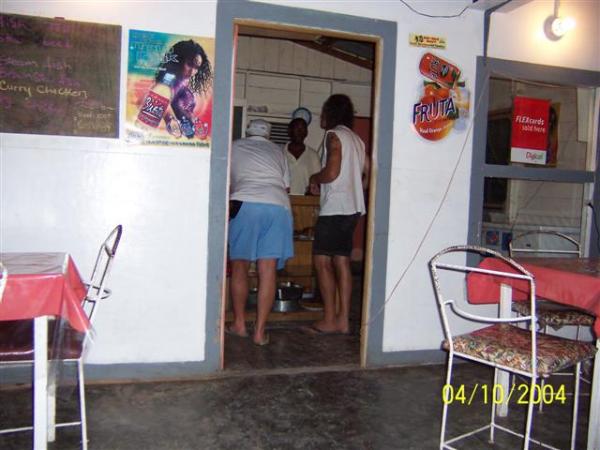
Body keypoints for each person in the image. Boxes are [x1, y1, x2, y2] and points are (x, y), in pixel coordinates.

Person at [305, 94, 369, 335]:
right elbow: (370, 170)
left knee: (322, 262)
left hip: (335, 208)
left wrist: (314, 178)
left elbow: (331, 172)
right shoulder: (356, 139)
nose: (321, 116)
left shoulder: (334, 135)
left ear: (331, 114)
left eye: (324, 112)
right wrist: (356, 189)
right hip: (352, 209)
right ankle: (343, 320)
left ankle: (330, 319)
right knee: (342, 261)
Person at [227, 119, 294, 345]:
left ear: (248, 132)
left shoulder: (234, 146)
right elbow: (286, 186)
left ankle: (239, 324)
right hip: (277, 205)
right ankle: (259, 332)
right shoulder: (278, 151)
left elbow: (226, 181)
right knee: (268, 269)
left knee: (240, 265)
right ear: (268, 135)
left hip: (245, 202)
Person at [156, 39, 212, 138]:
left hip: (185, 131)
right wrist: (170, 120)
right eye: (189, 64)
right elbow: (162, 101)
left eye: (196, 67)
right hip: (174, 133)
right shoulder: (170, 79)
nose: (192, 71)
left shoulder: (183, 81)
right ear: (179, 60)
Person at [283, 118, 321, 195]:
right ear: (289, 131)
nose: (300, 131)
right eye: (297, 127)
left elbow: (317, 182)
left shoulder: (313, 155)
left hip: (304, 200)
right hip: (283, 199)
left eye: (303, 128)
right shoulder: (280, 153)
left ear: (306, 132)